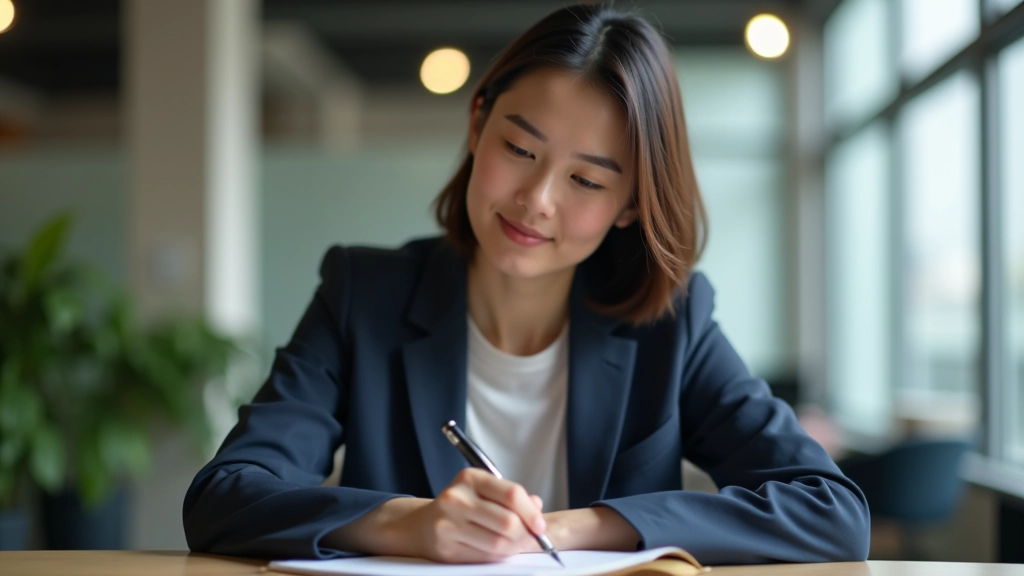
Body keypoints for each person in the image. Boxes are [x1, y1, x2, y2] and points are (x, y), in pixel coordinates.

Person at [183, 3, 870, 566]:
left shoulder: (672, 322)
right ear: (477, 122)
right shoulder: (364, 294)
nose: (537, 200)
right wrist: (407, 524)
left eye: (586, 181)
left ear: (631, 204)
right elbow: (224, 496)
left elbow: (832, 511)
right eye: (518, 149)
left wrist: (574, 529)